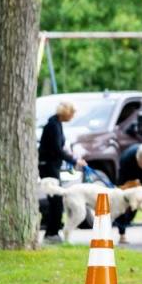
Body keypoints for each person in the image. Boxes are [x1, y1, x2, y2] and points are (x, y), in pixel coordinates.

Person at [38, 101, 86, 243]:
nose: (73, 116)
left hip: (52, 166)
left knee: (56, 201)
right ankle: (51, 233)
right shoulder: (53, 126)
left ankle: (52, 232)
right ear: (66, 112)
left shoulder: (56, 124)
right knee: (56, 201)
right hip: (48, 167)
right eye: (72, 113)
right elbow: (56, 150)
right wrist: (74, 161)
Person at [113, 143, 142, 244]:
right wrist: (131, 187)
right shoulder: (126, 159)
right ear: (137, 159)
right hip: (131, 179)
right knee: (123, 204)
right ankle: (122, 234)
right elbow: (121, 181)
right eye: (141, 163)